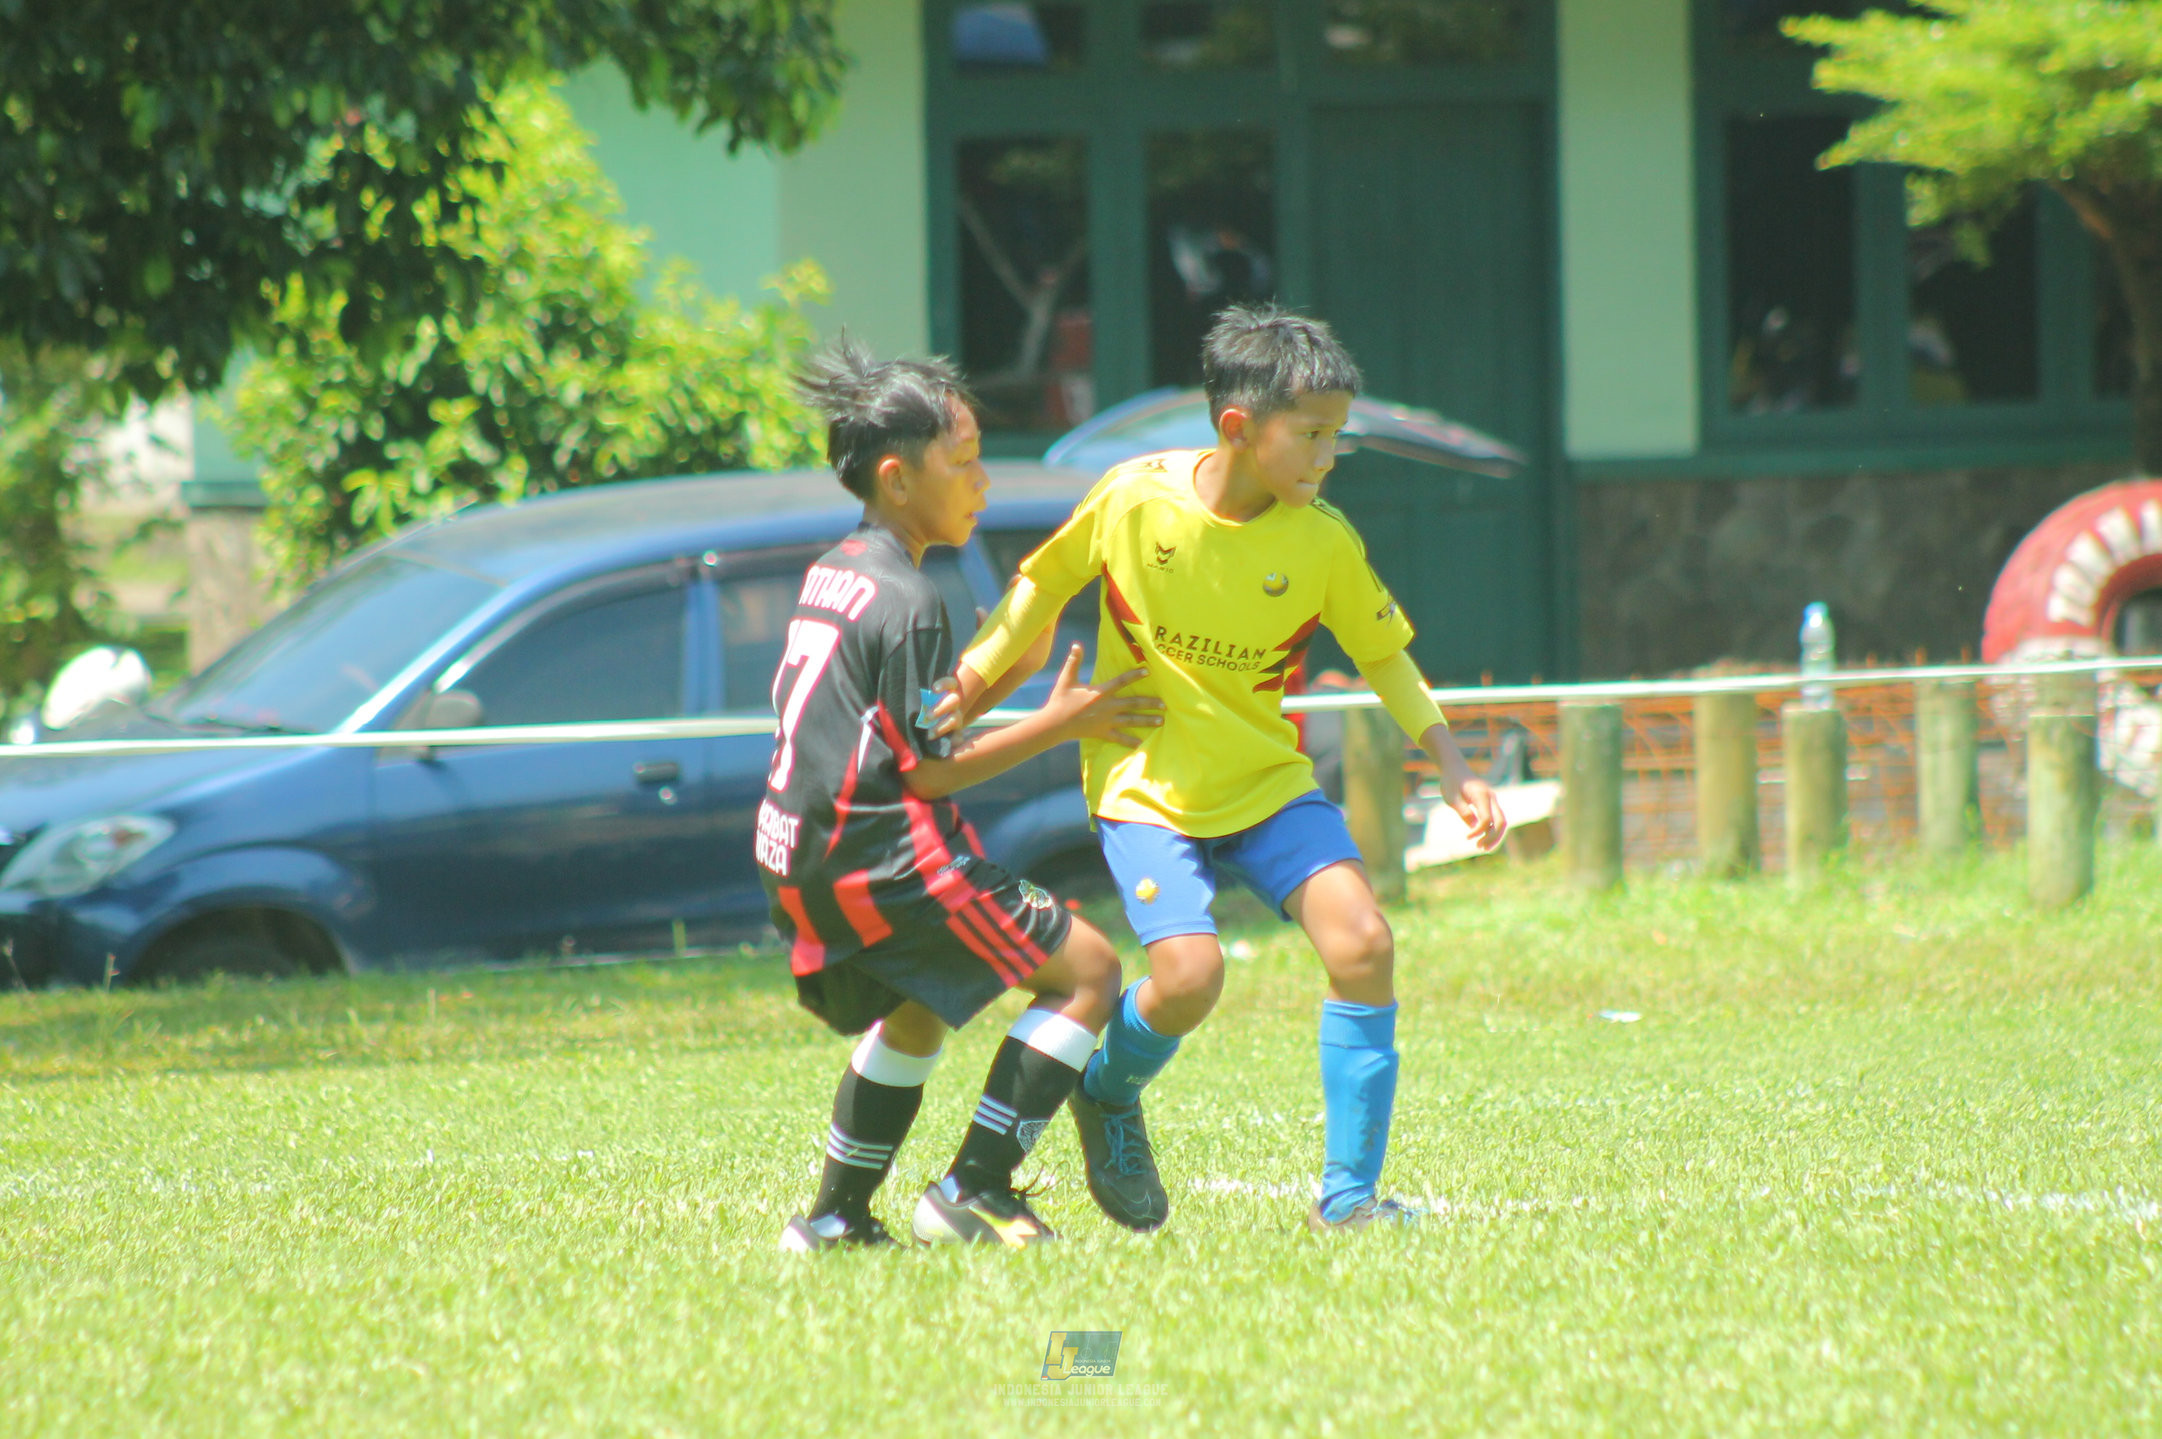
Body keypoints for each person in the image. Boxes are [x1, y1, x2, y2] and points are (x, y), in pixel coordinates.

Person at [944, 304, 1507, 1233]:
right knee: (1189, 977)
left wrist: (1449, 761)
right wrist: (969, 683)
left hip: (1266, 785)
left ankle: (1351, 1201)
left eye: (1338, 438)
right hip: (1146, 788)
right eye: (1312, 437)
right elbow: (1038, 590)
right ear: (1237, 428)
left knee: (1364, 943)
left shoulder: (1320, 538)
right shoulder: (1132, 499)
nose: (1327, 458)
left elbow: (1382, 653)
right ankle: (1108, 1090)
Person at [762, 341, 1161, 1251]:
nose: (981, 479)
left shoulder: (840, 571)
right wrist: (1069, 720)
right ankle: (972, 1192)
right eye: (965, 459)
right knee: (1090, 970)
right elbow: (928, 772)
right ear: (898, 479)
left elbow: (905, 728)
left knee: (915, 1001)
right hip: (885, 855)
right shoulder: (906, 596)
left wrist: (1015, 671)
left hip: (798, 849)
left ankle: (833, 1219)